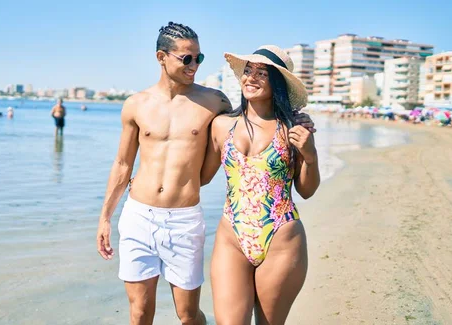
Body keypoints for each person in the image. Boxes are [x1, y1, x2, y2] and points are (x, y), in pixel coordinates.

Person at [96, 23, 316, 325]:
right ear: (162, 57)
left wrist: (302, 133)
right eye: (187, 58)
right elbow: (126, 165)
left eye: (199, 58)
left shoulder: (215, 103)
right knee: (139, 312)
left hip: (203, 222)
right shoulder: (140, 105)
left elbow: (300, 181)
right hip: (149, 217)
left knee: (189, 315)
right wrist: (106, 216)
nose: (194, 65)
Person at [200, 45, 320, 325]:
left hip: (281, 239)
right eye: (248, 71)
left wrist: (310, 155)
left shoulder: (292, 128)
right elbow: (202, 177)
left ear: (276, 82)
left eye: (262, 73)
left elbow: (307, 190)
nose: (250, 78)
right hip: (232, 236)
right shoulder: (221, 126)